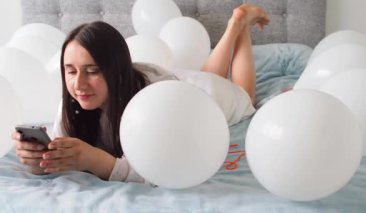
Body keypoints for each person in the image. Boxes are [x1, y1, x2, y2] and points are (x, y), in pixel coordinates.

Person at [12, 4, 269, 183]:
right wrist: (38, 160)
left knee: (244, 96)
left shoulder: (154, 101)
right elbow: (62, 148)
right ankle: (234, 27)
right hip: (181, 84)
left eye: (92, 71)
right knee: (207, 73)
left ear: (115, 70)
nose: (79, 84)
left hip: (199, 101)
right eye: (70, 71)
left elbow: (164, 167)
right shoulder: (73, 100)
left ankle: (241, 27)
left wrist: (97, 161)